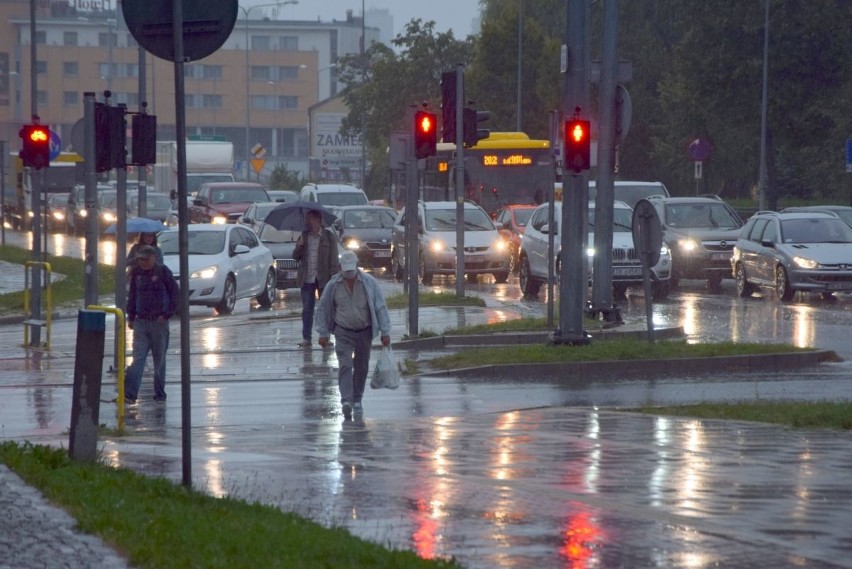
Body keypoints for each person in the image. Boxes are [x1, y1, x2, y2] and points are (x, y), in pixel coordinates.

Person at [316, 250, 391, 419]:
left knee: (362, 367)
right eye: (346, 271)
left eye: (352, 270)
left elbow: (380, 306)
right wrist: (323, 333)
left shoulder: (369, 283)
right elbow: (323, 308)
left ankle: (357, 398)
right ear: (340, 267)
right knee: (345, 365)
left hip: (364, 331)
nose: (349, 275)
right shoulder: (333, 285)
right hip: (343, 331)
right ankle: (346, 401)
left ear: (357, 266)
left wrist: (385, 332)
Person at [125, 244, 179, 404]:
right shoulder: (136, 273)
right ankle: (130, 394)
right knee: (138, 358)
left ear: (154, 258)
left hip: (159, 323)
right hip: (141, 321)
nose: (142, 262)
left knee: (159, 360)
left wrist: (167, 314)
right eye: (140, 259)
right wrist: (131, 317)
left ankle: (160, 393)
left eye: (145, 259)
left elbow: (176, 294)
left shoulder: (163, 272)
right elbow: (132, 295)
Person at [292, 209, 339, 347]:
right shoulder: (304, 237)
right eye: (307, 219)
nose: (308, 222)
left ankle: (324, 336)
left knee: (325, 309)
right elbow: (295, 257)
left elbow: (334, 260)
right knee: (307, 309)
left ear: (318, 220)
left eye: (311, 219)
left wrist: (334, 278)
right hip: (307, 278)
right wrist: (299, 246)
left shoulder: (328, 237)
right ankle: (306, 338)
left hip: (324, 279)